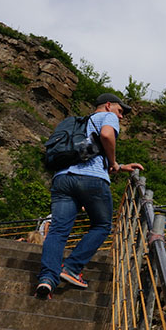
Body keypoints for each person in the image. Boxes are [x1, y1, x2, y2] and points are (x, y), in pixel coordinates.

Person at [36, 93, 143, 299]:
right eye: (120, 111)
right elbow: (106, 136)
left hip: (63, 179)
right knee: (102, 226)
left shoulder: (79, 123)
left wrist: (118, 167)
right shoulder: (107, 117)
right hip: (92, 179)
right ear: (109, 105)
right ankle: (71, 268)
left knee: (58, 231)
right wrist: (113, 162)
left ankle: (47, 279)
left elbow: (88, 150)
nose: (121, 117)